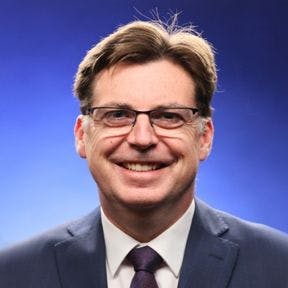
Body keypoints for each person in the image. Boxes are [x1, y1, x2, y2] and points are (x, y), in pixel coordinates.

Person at [0, 19, 287, 288]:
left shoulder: (279, 266)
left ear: (204, 137)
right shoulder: (13, 273)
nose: (142, 138)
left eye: (168, 116)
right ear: (81, 136)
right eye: (117, 114)